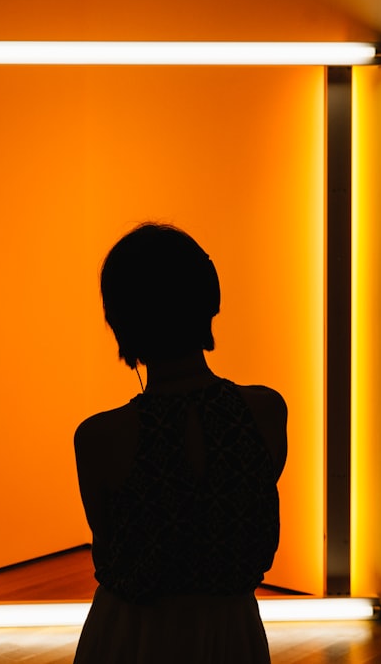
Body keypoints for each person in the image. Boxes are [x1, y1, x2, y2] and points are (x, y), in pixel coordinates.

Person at [73, 223, 287, 663]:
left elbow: (110, 545)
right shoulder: (266, 411)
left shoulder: (99, 438)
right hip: (234, 634)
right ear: (209, 303)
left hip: (131, 637)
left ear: (121, 321)